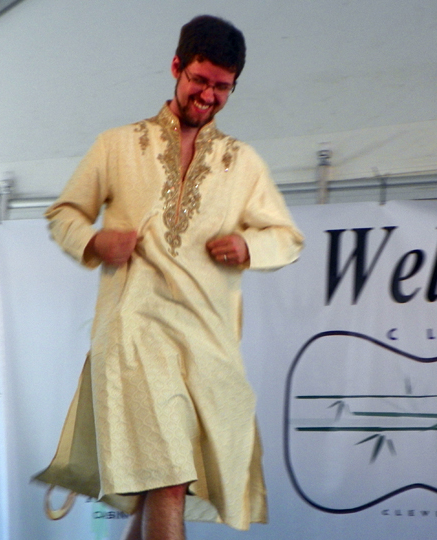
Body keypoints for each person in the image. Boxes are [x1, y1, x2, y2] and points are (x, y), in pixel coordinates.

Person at [34, 14, 304, 540]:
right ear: (176, 66)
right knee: (168, 477)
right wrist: (93, 240)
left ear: (234, 86)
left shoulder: (241, 162)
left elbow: (287, 238)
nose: (208, 96)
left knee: (169, 482)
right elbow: (64, 213)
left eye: (222, 87)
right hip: (136, 334)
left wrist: (250, 244)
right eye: (199, 80)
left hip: (209, 344)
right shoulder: (117, 145)